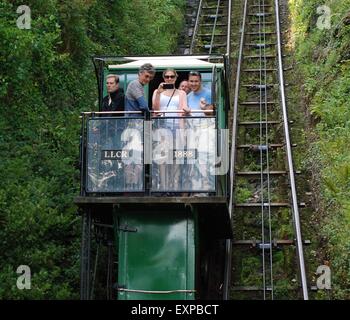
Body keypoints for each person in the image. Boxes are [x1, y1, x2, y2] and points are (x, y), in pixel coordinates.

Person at [186, 71, 216, 194]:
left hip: (205, 127)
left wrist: (204, 108)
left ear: (200, 81)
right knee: (193, 158)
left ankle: (206, 188)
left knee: (205, 156)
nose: (193, 83)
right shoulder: (188, 96)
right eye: (191, 81)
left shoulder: (208, 93)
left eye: (196, 81)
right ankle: (196, 189)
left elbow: (213, 113)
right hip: (192, 128)